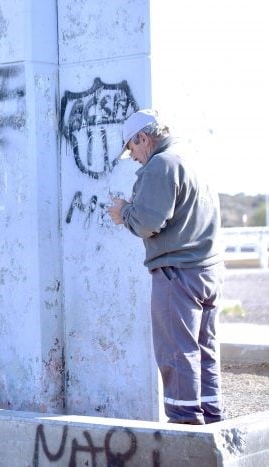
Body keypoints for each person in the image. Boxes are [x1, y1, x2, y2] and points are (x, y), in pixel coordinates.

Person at [107, 109, 226, 424]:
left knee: (176, 349)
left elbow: (148, 222)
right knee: (204, 348)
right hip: (208, 270)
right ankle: (212, 413)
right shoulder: (189, 158)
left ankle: (185, 420)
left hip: (177, 273)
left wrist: (124, 212)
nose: (132, 157)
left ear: (143, 138)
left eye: (131, 148)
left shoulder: (161, 164)